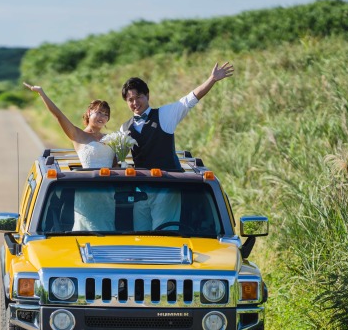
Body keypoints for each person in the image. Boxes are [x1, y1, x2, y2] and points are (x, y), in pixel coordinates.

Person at [119, 62, 234, 231]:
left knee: (164, 235)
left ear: (147, 96)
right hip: (140, 191)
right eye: (130, 99)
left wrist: (212, 80)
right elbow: (116, 156)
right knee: (140, 235)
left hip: (167, 189)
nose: (135, 102)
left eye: (139, 97)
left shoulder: (165, 115)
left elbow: (189, 100)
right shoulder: (124, 128)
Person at [24, 82, 116, 231]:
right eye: (98, 112)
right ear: (88, 113)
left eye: (105, 114)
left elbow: (116, 166)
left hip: (108, 195)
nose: (102, 116)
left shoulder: (112, 138)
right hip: (87, 192)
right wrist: (42, 93)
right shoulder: (78, 135)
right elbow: (59, 115)